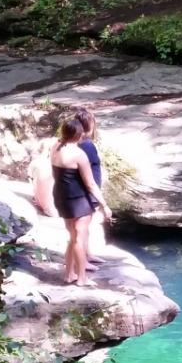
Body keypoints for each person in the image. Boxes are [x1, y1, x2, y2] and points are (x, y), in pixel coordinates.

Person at [50, 118, 112, 286]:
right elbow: (90, 184)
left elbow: (56, 175)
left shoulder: (55, 148)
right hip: (78, 199)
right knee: (79, 237)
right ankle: (82, 278)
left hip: (61, 196)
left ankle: (69, 274)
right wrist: (104, 206)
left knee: (72, 236)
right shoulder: (79, 155)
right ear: (78, 135)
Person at [72, 108, 108, 270]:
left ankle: (88, 254)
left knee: (87, 226)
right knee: (82, 228)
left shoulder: (78, 143)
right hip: (85, 192)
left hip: (84, 191)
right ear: (90, 124)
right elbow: (88, 177)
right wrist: (103, 202)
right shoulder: (86, 145)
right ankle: (82, 261)